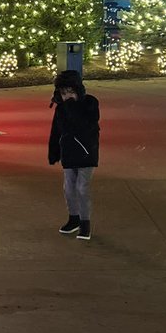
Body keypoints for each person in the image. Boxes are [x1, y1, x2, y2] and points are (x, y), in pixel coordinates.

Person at [48, 69, 100, 241]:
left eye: (71, 92)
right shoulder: (61, 109)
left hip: (86, 152)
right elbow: (56, 131)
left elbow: (85, 124)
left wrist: (70, 106)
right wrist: (54, 151)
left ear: (78, 90)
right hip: (69, 153)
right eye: (63, 93)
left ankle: (85, 223)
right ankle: (74, 218)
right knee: (69, 187)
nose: (67, 96)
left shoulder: (90, 103)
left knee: (82, 188)